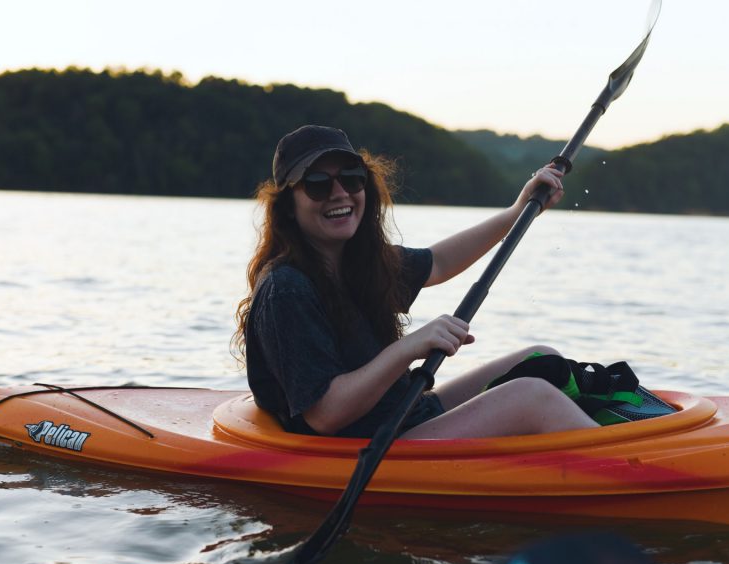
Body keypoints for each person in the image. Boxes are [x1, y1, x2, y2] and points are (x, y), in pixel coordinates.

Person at [232, 125, 598, 438]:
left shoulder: (359, 262)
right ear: (288, 208)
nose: (339, 192)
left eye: (351, 178)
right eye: (316, 184)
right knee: (530, 396)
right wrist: (409, 347)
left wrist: (517, 212)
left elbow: (438, 262)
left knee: (542, 359)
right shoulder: (287, 289)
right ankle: (633, 470)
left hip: (403, 416)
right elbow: (325, 415)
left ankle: (609, 441)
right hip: (369, 447)